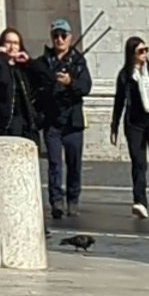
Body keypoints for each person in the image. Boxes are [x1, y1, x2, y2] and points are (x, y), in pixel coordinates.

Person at [31, 17, 93, 222]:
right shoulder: (43, 63)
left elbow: (86, 87)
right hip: (52, 122)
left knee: (74, 164)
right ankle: (56, 201)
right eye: (56, 35)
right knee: (54, 164)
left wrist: (70, 82)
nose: (59, 39)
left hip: (73, 122)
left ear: (70, 37)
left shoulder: (78, 61)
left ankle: (73, 199)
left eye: (63, 35)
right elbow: (36, 87)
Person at [110, 33, 149, 223]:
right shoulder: (125, 76)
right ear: (132, 54)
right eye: (140, 51)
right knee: (138, 163)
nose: (144, 54)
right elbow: (119, 102)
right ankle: (140, 201)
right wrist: (114, 126)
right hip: (135, 124)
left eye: (146, 50)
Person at [0, 24, 42, 144]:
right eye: (8, 42)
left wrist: (29, 62)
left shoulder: (23, 69)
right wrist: (0, 58)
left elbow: (46, 78)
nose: (12, 47)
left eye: (15, 43)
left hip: (27, 123)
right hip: (7, 124)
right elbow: (3, 82)